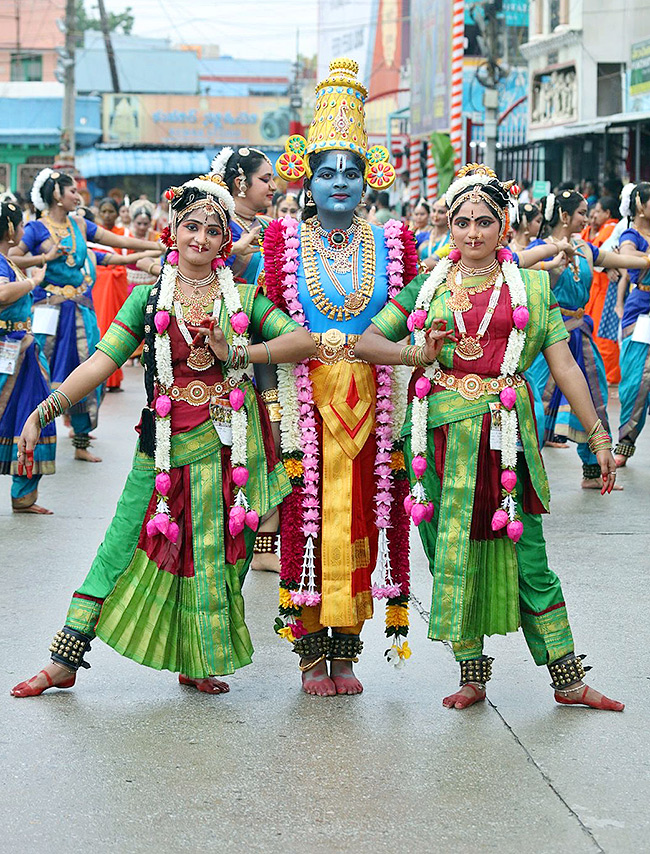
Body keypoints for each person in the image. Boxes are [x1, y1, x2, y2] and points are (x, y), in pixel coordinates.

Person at [10, 171, 315, 699]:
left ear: (225, 241)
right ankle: (65, 659)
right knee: (120, 545)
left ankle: (199, 658)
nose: (200, 238)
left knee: (219, 554)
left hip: (228, 450)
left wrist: (238, 352)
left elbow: (301, 341)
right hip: (163, 445)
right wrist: (45, 408)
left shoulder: (242, 298)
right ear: (174, 229)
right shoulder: (149, 302)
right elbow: (102, 361)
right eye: (191, 226)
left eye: (212, 231)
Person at [355, 163, 624, 712]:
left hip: (506, 442)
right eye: (461, 222)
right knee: (452, 557)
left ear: (504, 225)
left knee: (529, 558)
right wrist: (417, 354)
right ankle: (472, 675)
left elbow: (566, 366)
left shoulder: (531, 284)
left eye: (484, 221)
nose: (472, 233)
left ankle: (568, 679)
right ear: (449, 226)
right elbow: (365, 342)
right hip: (439, 444)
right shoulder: (427, 286)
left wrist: (598, 434)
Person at [269, 58, 418, 696]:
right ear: (308, 179)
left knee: (363, 521)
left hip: (373, 409)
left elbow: (414, 311)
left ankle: (348, 652)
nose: (338, 182)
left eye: (350, 172)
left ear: (369, 180)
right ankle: (310, 655)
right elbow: (263, 322)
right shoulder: (282, 243)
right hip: (306, 406)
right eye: (326, 171)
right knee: (307, 520)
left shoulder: (393, 246)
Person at [10, 169, 159, 461]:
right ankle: (37, 432)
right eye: (72, 192)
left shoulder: (79, 223)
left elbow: (114, 243)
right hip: (48, 312)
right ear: (56, 194)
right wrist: (44, 258)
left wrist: (157, 245)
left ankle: (80, 441)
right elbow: (12, 256)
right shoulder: (36, 229)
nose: (78, 197)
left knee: (91, 369)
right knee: (44, 373)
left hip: (81, 310)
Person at [525, 189, 648, 486]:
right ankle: (521, 472)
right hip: (550, 336)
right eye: (581, 212)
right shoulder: (541, 249)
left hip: (581, 332)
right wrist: (556, 265)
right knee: (537, 401)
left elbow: (617, 258)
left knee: (596, 399)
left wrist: (645, 261)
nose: (586, 217)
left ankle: (593, 471)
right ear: (565, 216)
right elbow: (533, 283)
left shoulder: (584, 247)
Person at [0, 201, 55, 514]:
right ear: (10, 229)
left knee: (29, 418)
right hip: (10, 350)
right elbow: (2, 295)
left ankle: (23, 496)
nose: (23, 231)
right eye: (19, 225)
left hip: (22, 352)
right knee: (26, 416)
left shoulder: (8, 262)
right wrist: (33, 282)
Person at [614, 181, 650, 466]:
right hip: (641, 312)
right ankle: (624, 444)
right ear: (640, 204)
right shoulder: (632, 234)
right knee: (638, 380)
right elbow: (627, 258)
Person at [211, 146, 276, 285]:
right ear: (241, 183)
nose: (273, 186)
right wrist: (233, 249)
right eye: (265, 180)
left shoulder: (268, 225)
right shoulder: (217, 223)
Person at [92, 197, 129, 392]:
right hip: (99, 289)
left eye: (111, 212)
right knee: (99, 328)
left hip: (115, 288)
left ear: (117, 213)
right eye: (103, 211)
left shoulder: (124, 233)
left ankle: (114, 378)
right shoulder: (94, 234)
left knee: (116, 330)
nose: (107, 215)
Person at [582, 196, 621, 384]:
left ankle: (609, 376)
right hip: (598, 289)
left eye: (598, 211)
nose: (592, 215)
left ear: (608, 213)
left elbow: (598, 255)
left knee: (605, 334)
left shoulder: (611, 228)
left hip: (605, 290)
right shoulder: (602, 230)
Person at [420, 197, 450, 262]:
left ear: (449, 214)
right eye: (433, 211)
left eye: (441, 212)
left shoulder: (453, 238)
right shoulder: (422, 236)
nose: (435, 215)